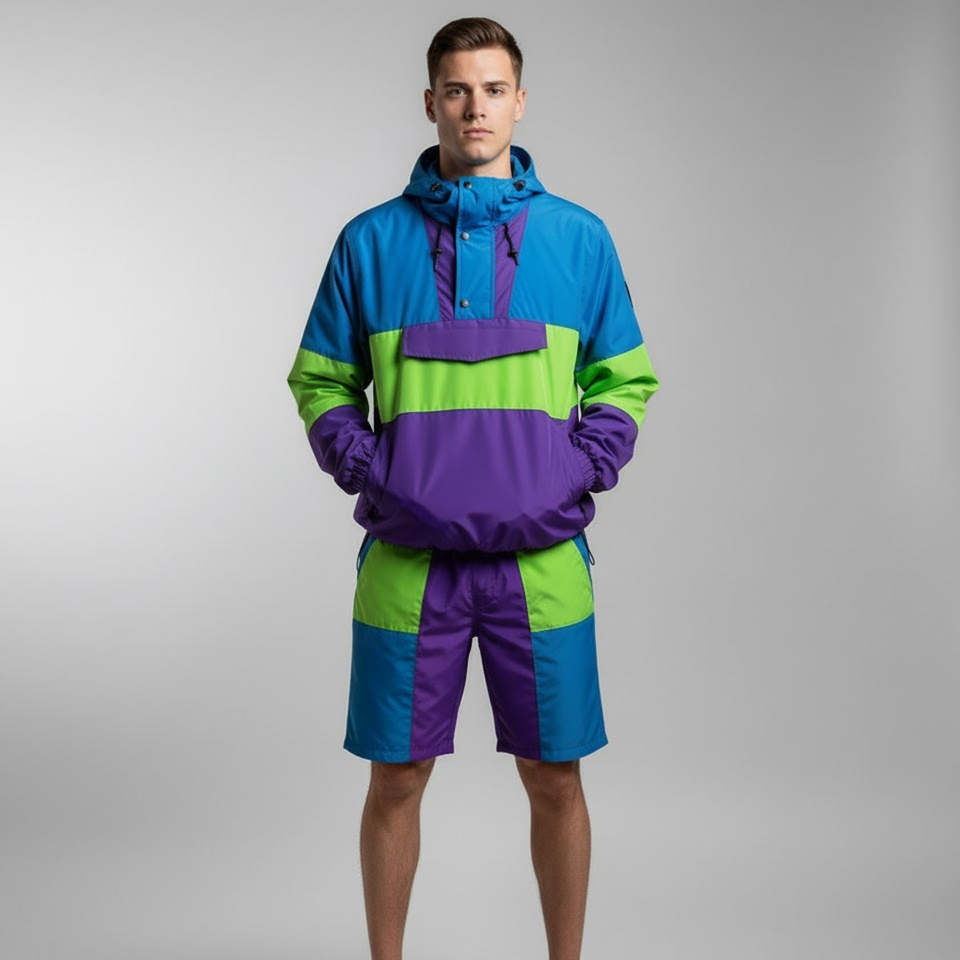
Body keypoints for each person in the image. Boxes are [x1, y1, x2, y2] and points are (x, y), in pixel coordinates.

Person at [286, 16, 659, 960]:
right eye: (457, 90)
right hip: (409, 566)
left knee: (556, 777)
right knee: (396, 779)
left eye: (493, 90)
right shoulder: (370, 243)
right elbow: (320, 382)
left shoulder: (579, 240)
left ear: (520, 102)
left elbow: (625, 380)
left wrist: (573, 473)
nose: (475, 108)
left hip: (543, 564)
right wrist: (378, 475)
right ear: (431, 103)